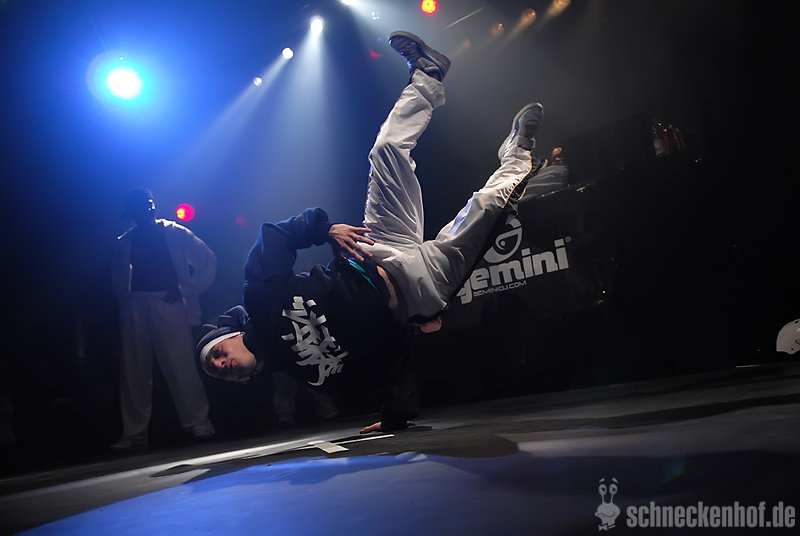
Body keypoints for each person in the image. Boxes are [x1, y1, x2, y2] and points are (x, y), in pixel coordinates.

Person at [196, 31, 556, 432]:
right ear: (242, 380)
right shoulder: (311, 377)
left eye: (215, 356)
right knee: (491, 207)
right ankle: (518, 154)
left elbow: (275, 236)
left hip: (373, 249)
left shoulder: (260, 299)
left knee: (385, 152)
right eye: (219, 373)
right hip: (422, 290)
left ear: (225, 335)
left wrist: (326, 229)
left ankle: (427, 75)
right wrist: (395, 415)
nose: (221, 365)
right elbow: (382, 368)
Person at [111, 188, 217, 450]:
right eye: (140, 207)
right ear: (132, 213)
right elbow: (119, 282)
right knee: (134, 371)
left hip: (168, 303)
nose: (146, 210)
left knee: (181, 364)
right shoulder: (125, 242)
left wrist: (187, 290)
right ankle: (134, 432)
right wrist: (127, 304)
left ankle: (198, 422)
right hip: (136, 305)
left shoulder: (175, 233)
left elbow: (207, 261)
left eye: (148, 205)